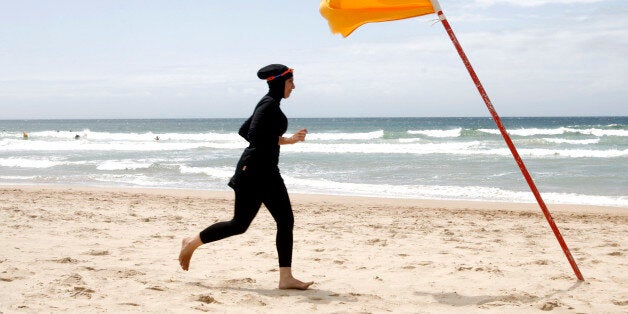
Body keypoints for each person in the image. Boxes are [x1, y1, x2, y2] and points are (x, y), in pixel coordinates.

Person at [178, 64, 313, 290]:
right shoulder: (269, 105)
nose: (294, 86)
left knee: (283, 220)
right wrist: (282, 140)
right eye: (291, 82)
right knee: (240, 224)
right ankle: (192, 241)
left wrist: (288, 140)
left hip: (266, 171)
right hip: (254, 172)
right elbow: (253, 135)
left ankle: (286, 278)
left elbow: (246, 131)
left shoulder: (267, 103)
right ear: (281, 82)